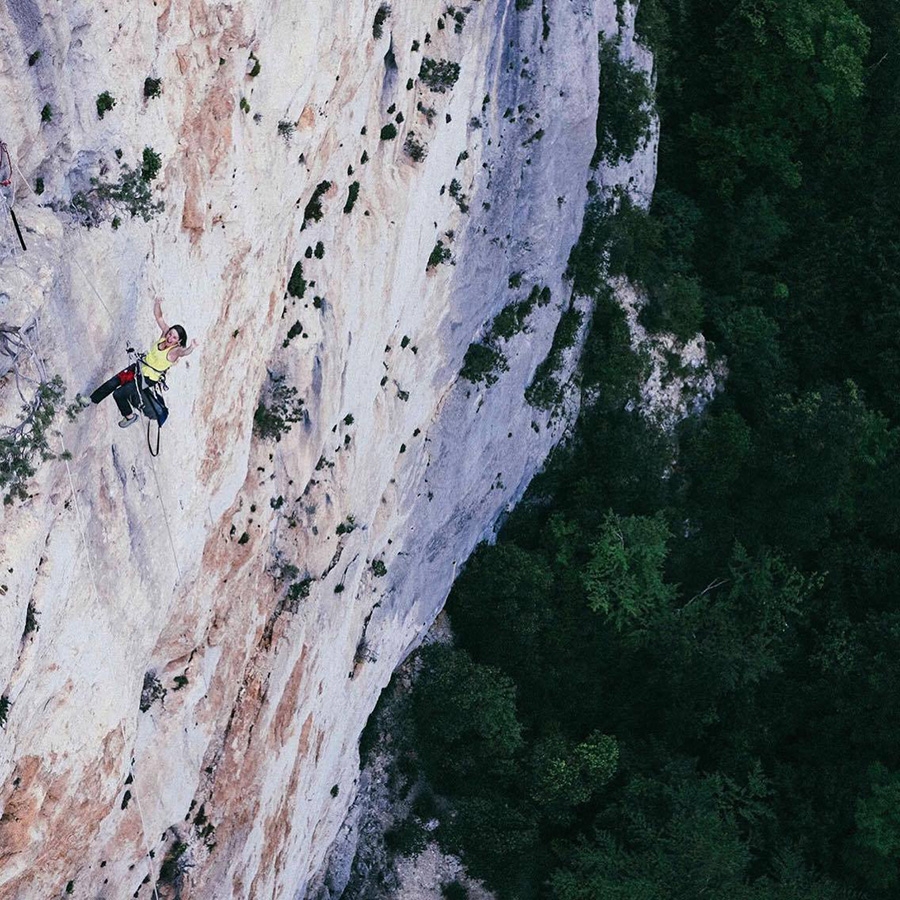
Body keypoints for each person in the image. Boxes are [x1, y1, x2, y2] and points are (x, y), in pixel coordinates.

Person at [80, 298, 197, 426]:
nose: (170, 338)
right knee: (113, 382)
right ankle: (91, 400)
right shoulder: (164, 335)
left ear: (178, 341)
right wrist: (157, 303)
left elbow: (184, 352)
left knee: (119, 394)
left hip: (147, 379)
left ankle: (130, 417)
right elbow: (159, 317)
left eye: (174, 337)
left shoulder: (174, 351)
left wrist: (192, 347)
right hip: (139, 367)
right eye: (170, 334)